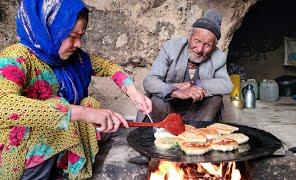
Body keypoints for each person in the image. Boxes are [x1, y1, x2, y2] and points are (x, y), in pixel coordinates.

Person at [0, 0, 152, 179]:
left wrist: (133, 91)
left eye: (81, 36)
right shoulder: (16, 58)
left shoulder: (74, 59)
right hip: (23, 151)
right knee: (71, 111)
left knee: (89, 104)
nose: (78, 43)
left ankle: (64, 170)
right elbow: (4, 104)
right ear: (49, 29)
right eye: (72, 35)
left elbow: (108, 67)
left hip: (58, 144)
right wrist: (82, 113)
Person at [139, 9, 232, 123]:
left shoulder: (218, 57)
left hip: (197, 113)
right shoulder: (171, 48)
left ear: (214, 46)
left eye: (207, 45)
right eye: (197, 41)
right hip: (168, 111)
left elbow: (226, 85)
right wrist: (178, 92)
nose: (199, 49)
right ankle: (167, 134)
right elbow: (149, 81)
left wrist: (192, 84)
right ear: (189, 36)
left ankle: (197, 135)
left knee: (216, 99)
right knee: (158, 100)